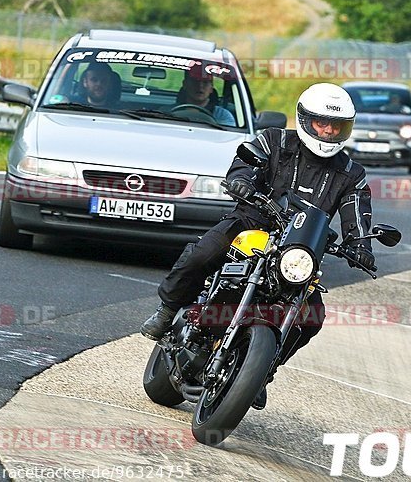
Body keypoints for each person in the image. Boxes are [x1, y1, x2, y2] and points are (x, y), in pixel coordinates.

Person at [141, 82, 375, 409]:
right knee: (204, 253)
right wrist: (242, 179)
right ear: (305, 120)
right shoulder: (273, 139)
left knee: (312, 315)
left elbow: (356, 212)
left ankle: (262, 369)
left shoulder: (351, 173)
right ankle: (167, 312)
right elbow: (245, 162)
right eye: (322, 123)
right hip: (252, 220)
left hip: (299, 247)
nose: (328, 131)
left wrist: (360, 244)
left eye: (337, 126)